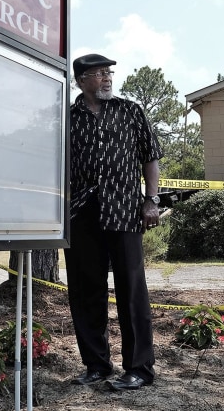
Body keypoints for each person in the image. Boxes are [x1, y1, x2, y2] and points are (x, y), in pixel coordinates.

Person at [65, 53, 163, 391]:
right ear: (81, 80)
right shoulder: (68, 118)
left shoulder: (130, 111)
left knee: (131, 291)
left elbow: (150, 157)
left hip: (124, 211)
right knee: (85, 290)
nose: (107, 78)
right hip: (81, 212)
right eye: (99, 73)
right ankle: (96, 364)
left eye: (109, 73)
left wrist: (151, 200)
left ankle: (139, 368)